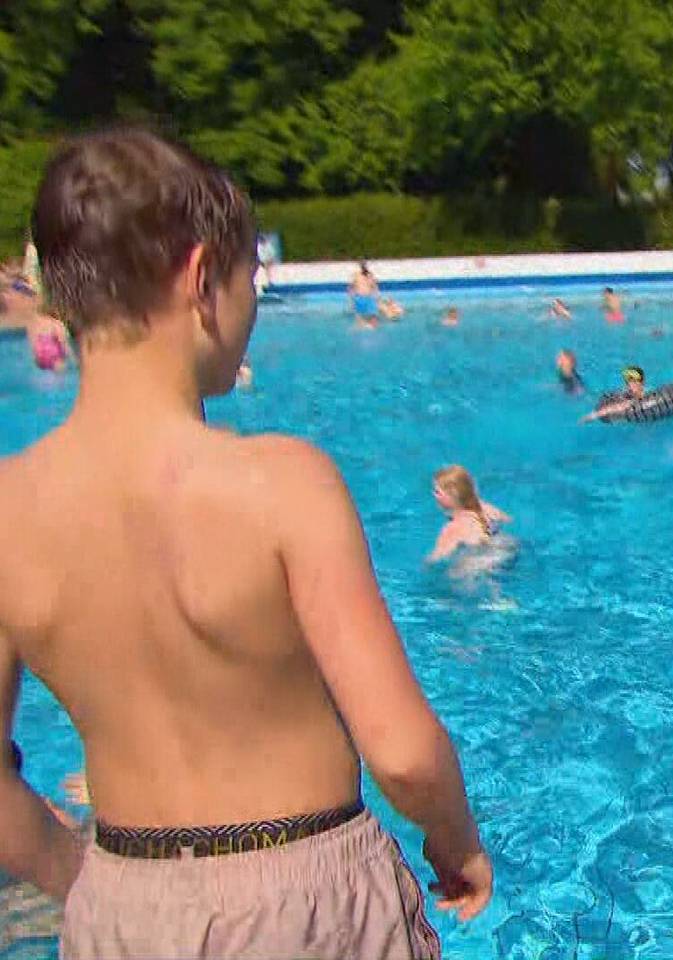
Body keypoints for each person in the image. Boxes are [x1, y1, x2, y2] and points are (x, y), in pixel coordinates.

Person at [0, 128, 491, 957]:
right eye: (247, 280)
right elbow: (403, 752)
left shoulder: (9, 510)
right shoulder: (284, 484)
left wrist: (86, 886)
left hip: (120, 902)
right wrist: (456, 839)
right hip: (306, 893)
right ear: (201, 280)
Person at [428, 466, 511, 562]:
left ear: (453, 495)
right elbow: (508, 520)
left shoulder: (452, 529)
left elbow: (435, 559)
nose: (433, 494)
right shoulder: (487, 508)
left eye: (437, 492)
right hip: (505, 548)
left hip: (480, 563)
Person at [581, 365, 646, 424]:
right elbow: (620, 406)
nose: (630, 384)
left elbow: (625, 405)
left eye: (634, 380)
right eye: (628, 381)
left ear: (642, 381)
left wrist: (596, 414)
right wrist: (595, 414)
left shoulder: (646, 397)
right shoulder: (623, 394)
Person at [349, 260, 380, 328]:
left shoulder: (370, 275)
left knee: (373, 316)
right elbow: (351, 287)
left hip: (369, 297)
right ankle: (363, 327)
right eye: (363, 265)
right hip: (359, 297)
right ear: (360, 266)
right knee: (359, 317)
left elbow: (375, 286)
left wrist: (377, 297)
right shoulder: (356, 275)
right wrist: (352, 299)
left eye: (365, 265)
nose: (364, 267)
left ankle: (370, 327)